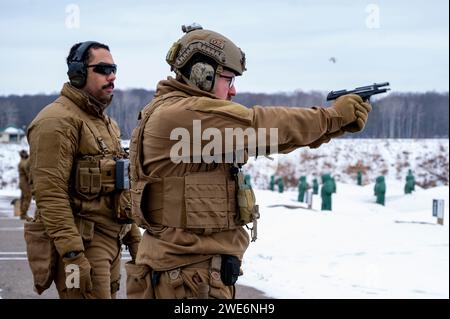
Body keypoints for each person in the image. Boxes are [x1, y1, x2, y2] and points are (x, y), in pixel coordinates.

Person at [127, 24, 372, 299]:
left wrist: (333, 126)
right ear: (202, 75)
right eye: (228, 79)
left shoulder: (173, 111)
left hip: (185, 273)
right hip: (187, 279)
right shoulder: (184, 114)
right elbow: (262, 126)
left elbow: (268, 139)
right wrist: (332, 117)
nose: (232, 91)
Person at [26, 41, 141, 299]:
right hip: (83, 246)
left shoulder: (106, 123)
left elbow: (121, 185)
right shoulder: (55, 122)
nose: (112, 76)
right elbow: (50, 196)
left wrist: (134, 238)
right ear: (77, 73)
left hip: (110, 243)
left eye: (113, 69)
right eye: (102, 69)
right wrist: (73, 255)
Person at [18, 150, 33, 221]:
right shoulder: (24, 162)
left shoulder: (21, 162)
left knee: (23, 198)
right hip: (25, 183)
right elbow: (27, 172)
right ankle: (23, 214)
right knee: (27, 197)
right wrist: (31, 180)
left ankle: (22, 213)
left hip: (22, 183)